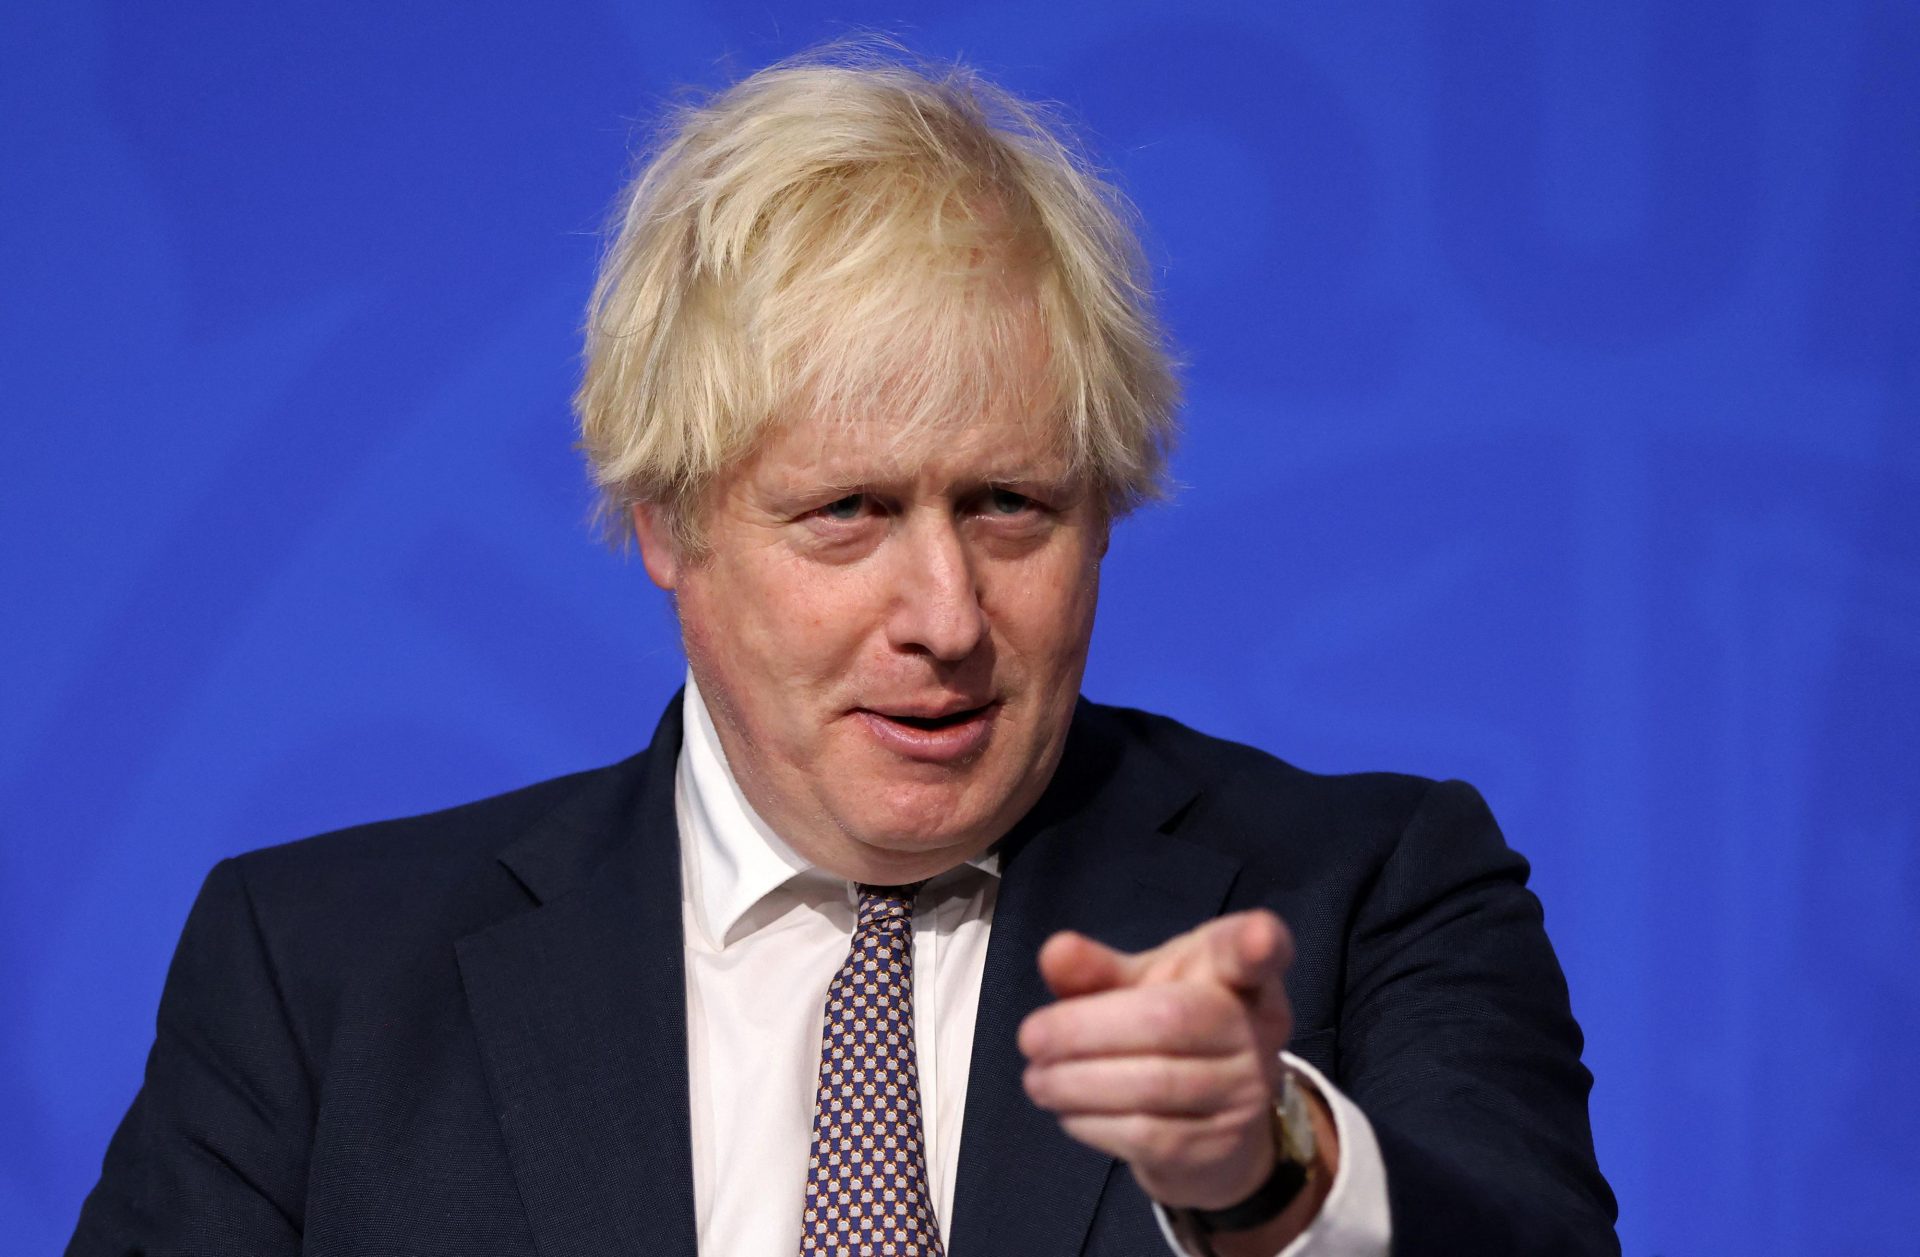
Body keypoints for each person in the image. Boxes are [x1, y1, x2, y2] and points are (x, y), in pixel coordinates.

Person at [67, 46, 1617, 1257]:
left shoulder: (1370, 891)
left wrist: (1272, 1166)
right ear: (668, 521)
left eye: (1012, 504)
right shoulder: (320, 972)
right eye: (848, 513)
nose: (945, 615)